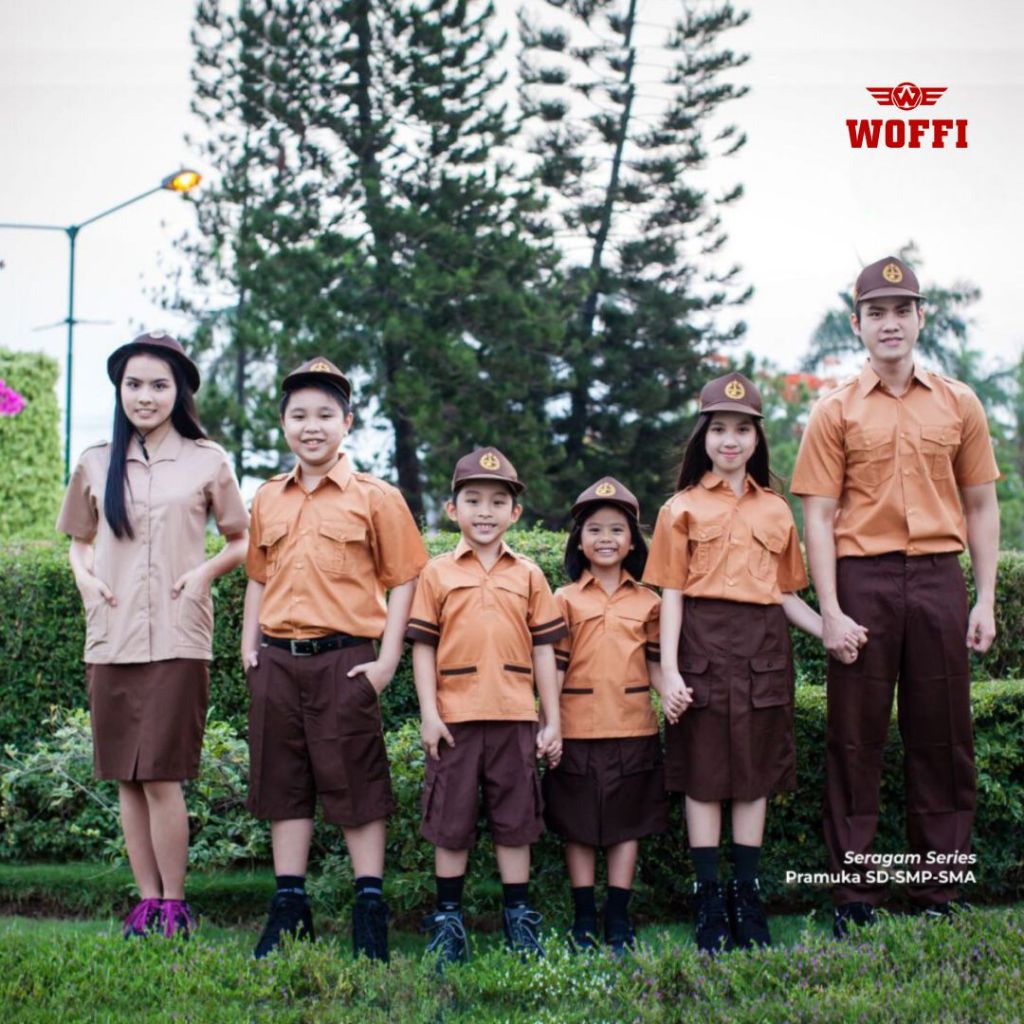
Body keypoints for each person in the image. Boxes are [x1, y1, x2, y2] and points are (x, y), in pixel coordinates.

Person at [791, 256, 1000, 938]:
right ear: (856, 324)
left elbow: (981, 504)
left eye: (901, 310)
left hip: (939, 578)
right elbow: (818, 517)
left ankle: (939, 889)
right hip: (863, 582)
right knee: (855, 739)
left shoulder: (959, 403)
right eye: (876, 312)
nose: (890, 323)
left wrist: (984, 598)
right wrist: (830, 610)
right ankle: (854, 893)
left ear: (920, 318)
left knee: (944, 736)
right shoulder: (834, 411)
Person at [57, 331, 249, 939]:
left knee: (162, 774)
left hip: (177, 636)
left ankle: (174, 903)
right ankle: (145, 902)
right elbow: (79, 541)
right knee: (127, 776)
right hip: (111, 635)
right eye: (134, 384)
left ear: (179, 391)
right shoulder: (95, 460)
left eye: (159, 385)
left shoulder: (207, 460)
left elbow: (240, 540)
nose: (145, 396)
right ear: (120, 389)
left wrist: (203, 574)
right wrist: (85, 580)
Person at [241, 357, 428, 962]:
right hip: (277, 661)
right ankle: (289, 905)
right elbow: (258, 574)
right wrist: (248, 646)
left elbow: (406, 578)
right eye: (299, 415)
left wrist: (388, 661)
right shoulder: (267, 497)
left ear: (347, 423)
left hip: (345, 661)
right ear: (283, 424)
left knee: (357, 783)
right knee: (282, 783)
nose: (311, 426)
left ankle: (369, 907)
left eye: (325, 415)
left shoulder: (376, 498)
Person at [643, 371, 834, 954]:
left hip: (763, 651)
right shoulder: (679, 508)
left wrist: (830, 629)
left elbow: (785, 594)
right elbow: (671, 593)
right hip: (699, 645)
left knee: (755, 775)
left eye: (743, 430)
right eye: (719, 429)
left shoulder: (776, 510)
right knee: (702, 776)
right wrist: (670, 672)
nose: (731, 440)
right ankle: (708, 900)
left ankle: (747, 898)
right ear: (703, 436)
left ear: (757, 439)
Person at [406, 447, 566, 966]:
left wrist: (551, 720)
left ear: (514, 513)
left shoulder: (529, 575)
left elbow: (545, 650)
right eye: (473, 500)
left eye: (498, 502)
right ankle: (448, 922)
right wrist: (429, 714)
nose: (485, 511)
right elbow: (423, 647)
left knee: (516, 820)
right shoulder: (436, 573)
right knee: (450, 821)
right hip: (454, 720)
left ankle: (519, 919)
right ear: (452, 509)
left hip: (515, 716)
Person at [543, 477, 667, 955]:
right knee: (576, 824)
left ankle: (617, 915)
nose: (606, 539)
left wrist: (672, 694)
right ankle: (583, 916)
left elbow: (655, 665)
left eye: (617, 529)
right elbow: (553, 667)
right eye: (594, 530)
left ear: (633, 541)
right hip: (576, 729)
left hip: (633, 728)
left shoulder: (650, 602)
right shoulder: (564, 599)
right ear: (579, 541)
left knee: (626, 824)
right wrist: (549, 723)